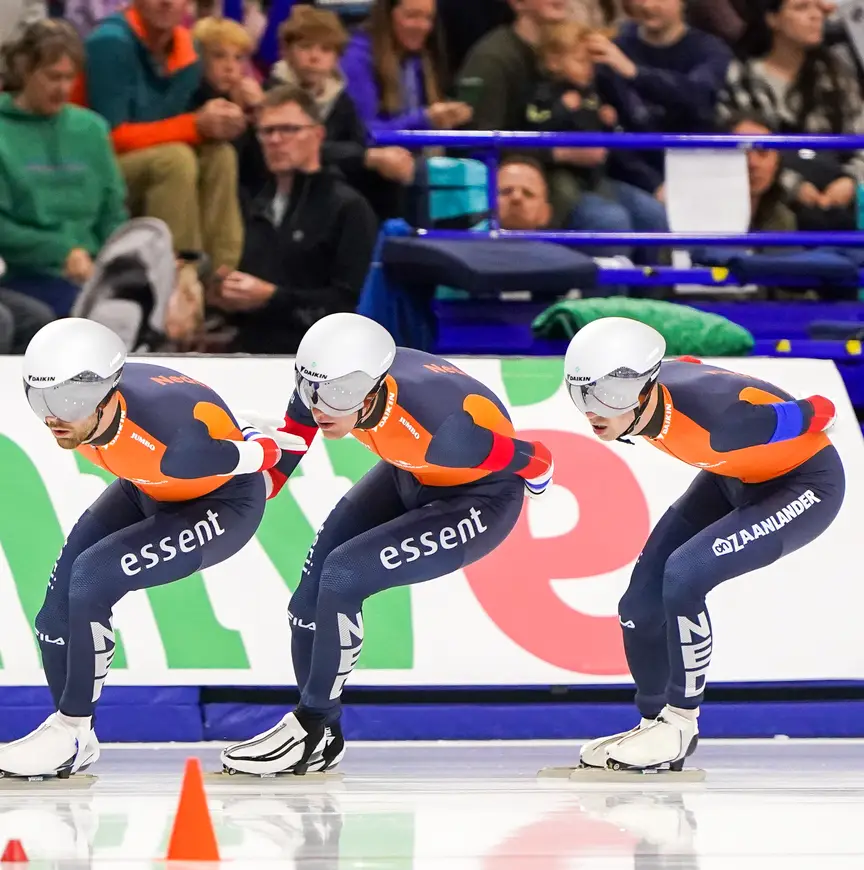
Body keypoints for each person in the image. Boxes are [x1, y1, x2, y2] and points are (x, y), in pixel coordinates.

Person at [220, 313, 554, 776]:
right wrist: (256, 452)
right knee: (306, 604)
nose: (321, 408)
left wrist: (540, 483)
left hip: (480, 498)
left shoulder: (444, 430)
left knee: (344, 573)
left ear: (374, 387)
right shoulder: (322, 390)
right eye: (311, 389)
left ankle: (311, 724)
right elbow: (276, 479)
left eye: (337, 395)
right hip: (409, 471)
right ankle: (323, 736)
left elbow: (536, 458)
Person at [0, 318, 307, 780]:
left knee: (93, 575)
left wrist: (255, 437)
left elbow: (257, 459)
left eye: (68, 401)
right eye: (40, 398)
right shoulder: (96, 408)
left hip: (220, 504)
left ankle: (74, 730)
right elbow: (201, 405)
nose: (54, 417)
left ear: (107, 396)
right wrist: (239, 423)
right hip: (145, 485)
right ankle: (71, 736)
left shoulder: (169, 443)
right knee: (53, 616)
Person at [562, 317, 843, 773]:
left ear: (646, 387)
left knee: (684, 574)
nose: (594, 409)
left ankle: (680, 723)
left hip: (804, 485)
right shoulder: (652, 394)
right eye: (581, 394)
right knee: (638, 605)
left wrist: (783, 415)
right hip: (732, 475)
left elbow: (822, 410)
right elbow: (687, 364)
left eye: (608, 395)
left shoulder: (723, 424)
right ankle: (653, 724)